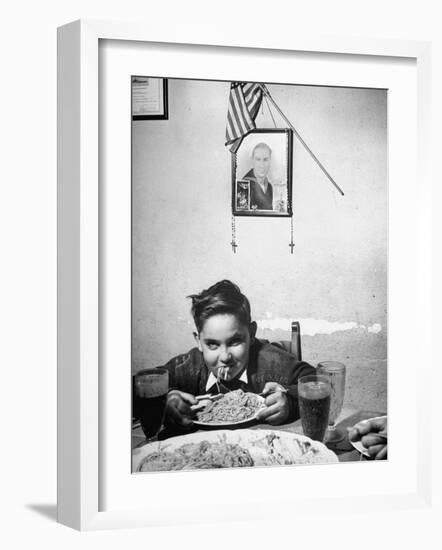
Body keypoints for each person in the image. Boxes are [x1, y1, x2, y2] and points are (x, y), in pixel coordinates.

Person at [163, 280, 315, 432]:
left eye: (235, 341)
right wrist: (167, 398)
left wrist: (291, 401)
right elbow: (142, 385)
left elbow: (319, 380)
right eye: (212, 344)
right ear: (199, 341)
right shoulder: (191, 365)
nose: (225, 357)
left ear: (251, 334)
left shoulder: (270, 362)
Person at [243, 142, 273, 210]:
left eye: (265, 160)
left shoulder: (270, 187)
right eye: (258, 159)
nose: (261, 165)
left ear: (270, 161)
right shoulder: (244, 186)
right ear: (252, 160)